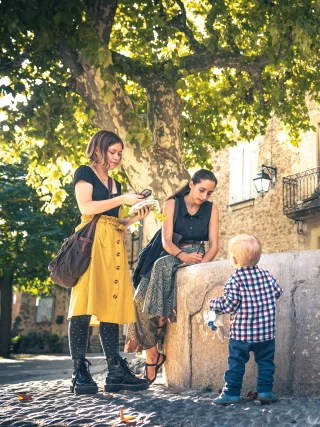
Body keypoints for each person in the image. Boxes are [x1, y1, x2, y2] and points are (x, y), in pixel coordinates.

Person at [69, 130, 151, 394]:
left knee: (111, 307)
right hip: (91, 246)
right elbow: (87, 208)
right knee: (83, 305)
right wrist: (123, 199)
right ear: (98, 150)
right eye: (112, 152)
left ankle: (115, 370)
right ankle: (80, 372)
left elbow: (117, 220)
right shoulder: (85, 172)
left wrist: (136, 216)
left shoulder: (114, 184)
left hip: (114, 243)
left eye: (119, 153)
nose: (116, 157)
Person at [125, 169, 219, 384]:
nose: (204, 196)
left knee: (161, 268)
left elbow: (214, 245)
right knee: (139, 299)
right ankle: (153, 356)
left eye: (209, 193)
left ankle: (152, 359)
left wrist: (201, 264)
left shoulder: (212, 210)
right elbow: (167, 241)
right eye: (202, 190)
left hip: (197, 253)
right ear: (191, 184)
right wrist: (182, 255)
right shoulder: (172, 204)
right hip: (170, 252)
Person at [209, 234, 283, 405]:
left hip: (241, 335)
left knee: (235, 364)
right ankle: (265, 391)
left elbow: (229, 305)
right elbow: (278, 292)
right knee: (265, 363)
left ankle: (231, 393)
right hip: (265, 334)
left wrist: (213, 303)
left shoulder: (235, 280)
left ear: (234, 259)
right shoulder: (266, 275)